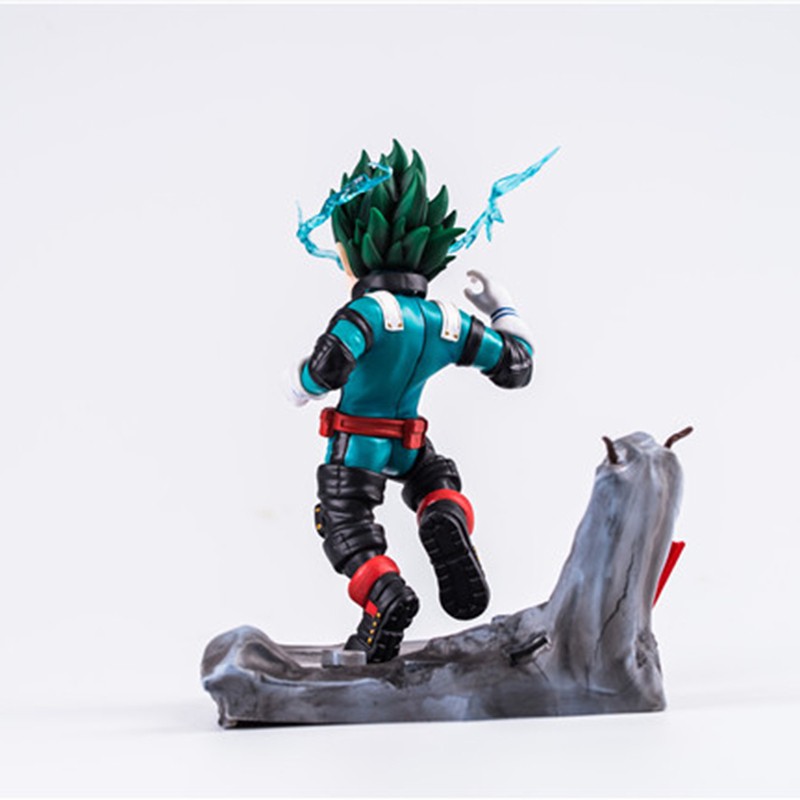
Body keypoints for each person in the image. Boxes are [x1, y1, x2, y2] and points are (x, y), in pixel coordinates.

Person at [287, 141, 534, 663]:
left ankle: (383, 597)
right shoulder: (445, 320)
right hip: (411, 445)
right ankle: (442, 509)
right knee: (433, 479)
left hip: (358, 445)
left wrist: (299, 383)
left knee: (344, 526)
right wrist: (501, 307)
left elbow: (328, 367)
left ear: (352, 250)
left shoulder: (368, 314)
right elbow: (516, 366)